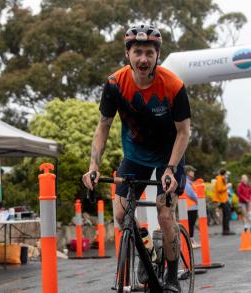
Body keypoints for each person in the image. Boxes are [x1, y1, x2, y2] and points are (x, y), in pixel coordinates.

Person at [82, 24, 190, 292]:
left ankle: (172, 277)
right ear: (128, 54)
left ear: (157, 56)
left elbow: (184, 131)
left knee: (165, 215)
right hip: (136, 156)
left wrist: (170, 169)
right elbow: (103, 125)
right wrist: (93, 165)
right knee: (120, 214)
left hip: (169, 156)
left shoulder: (174, 86)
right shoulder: (114, 84)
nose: (143, 59)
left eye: (149, 53)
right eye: (138, 52)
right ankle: (147, 248)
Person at [184, 165, 201, 249]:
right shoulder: (186, 182)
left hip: (190, 206)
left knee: (191, 224)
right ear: (188, 172)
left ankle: (192, 241)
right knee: (190, 224)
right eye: (192, 171)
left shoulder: (188, 181)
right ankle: (190, 242)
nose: (193, 172)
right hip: (190, 206)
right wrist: (199, 200)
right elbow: (190, 193)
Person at [213, 169, 234, 235]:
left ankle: (226, 230)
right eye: (226, 174)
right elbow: (220, 189)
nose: (226, 175)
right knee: (226, 215)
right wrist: (227, 186)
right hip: (222, 200)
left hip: (224, 199)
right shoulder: (219, 179)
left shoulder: (221, 179)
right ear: (224, 174)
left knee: (226, 215)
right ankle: (226, 230)